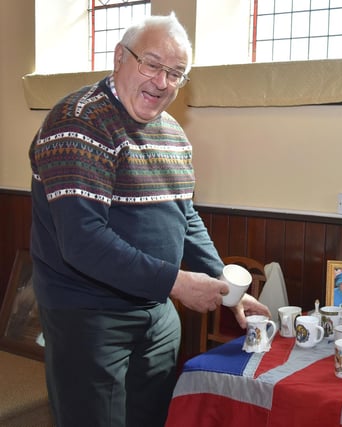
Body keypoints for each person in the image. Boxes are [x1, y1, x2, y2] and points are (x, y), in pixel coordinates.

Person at [28, 14, 270, 427]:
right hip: (90, 315)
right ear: (120, 57)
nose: (162, 82)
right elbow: (83, 241)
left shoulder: (173, 133)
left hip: (157, 314)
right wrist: (177, 284)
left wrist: (225, 286)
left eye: (176, 73)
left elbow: (183, 216)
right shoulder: (78, 121)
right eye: (152, 64)